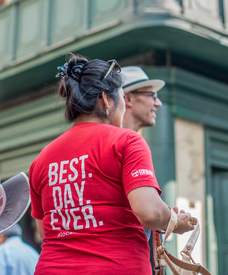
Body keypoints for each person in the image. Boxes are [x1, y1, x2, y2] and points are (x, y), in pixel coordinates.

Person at [29, 54, 195, 274]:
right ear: (106, 99)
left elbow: (46, 232)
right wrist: (176, 221)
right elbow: (150, 213)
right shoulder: (127, 141)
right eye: (120, 98)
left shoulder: (41, 159)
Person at [121, 66, 165, 272]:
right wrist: (173, 220)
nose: (158, 102)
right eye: (152, 95)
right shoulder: (128, 143)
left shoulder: (133, 142)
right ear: (128, 99)